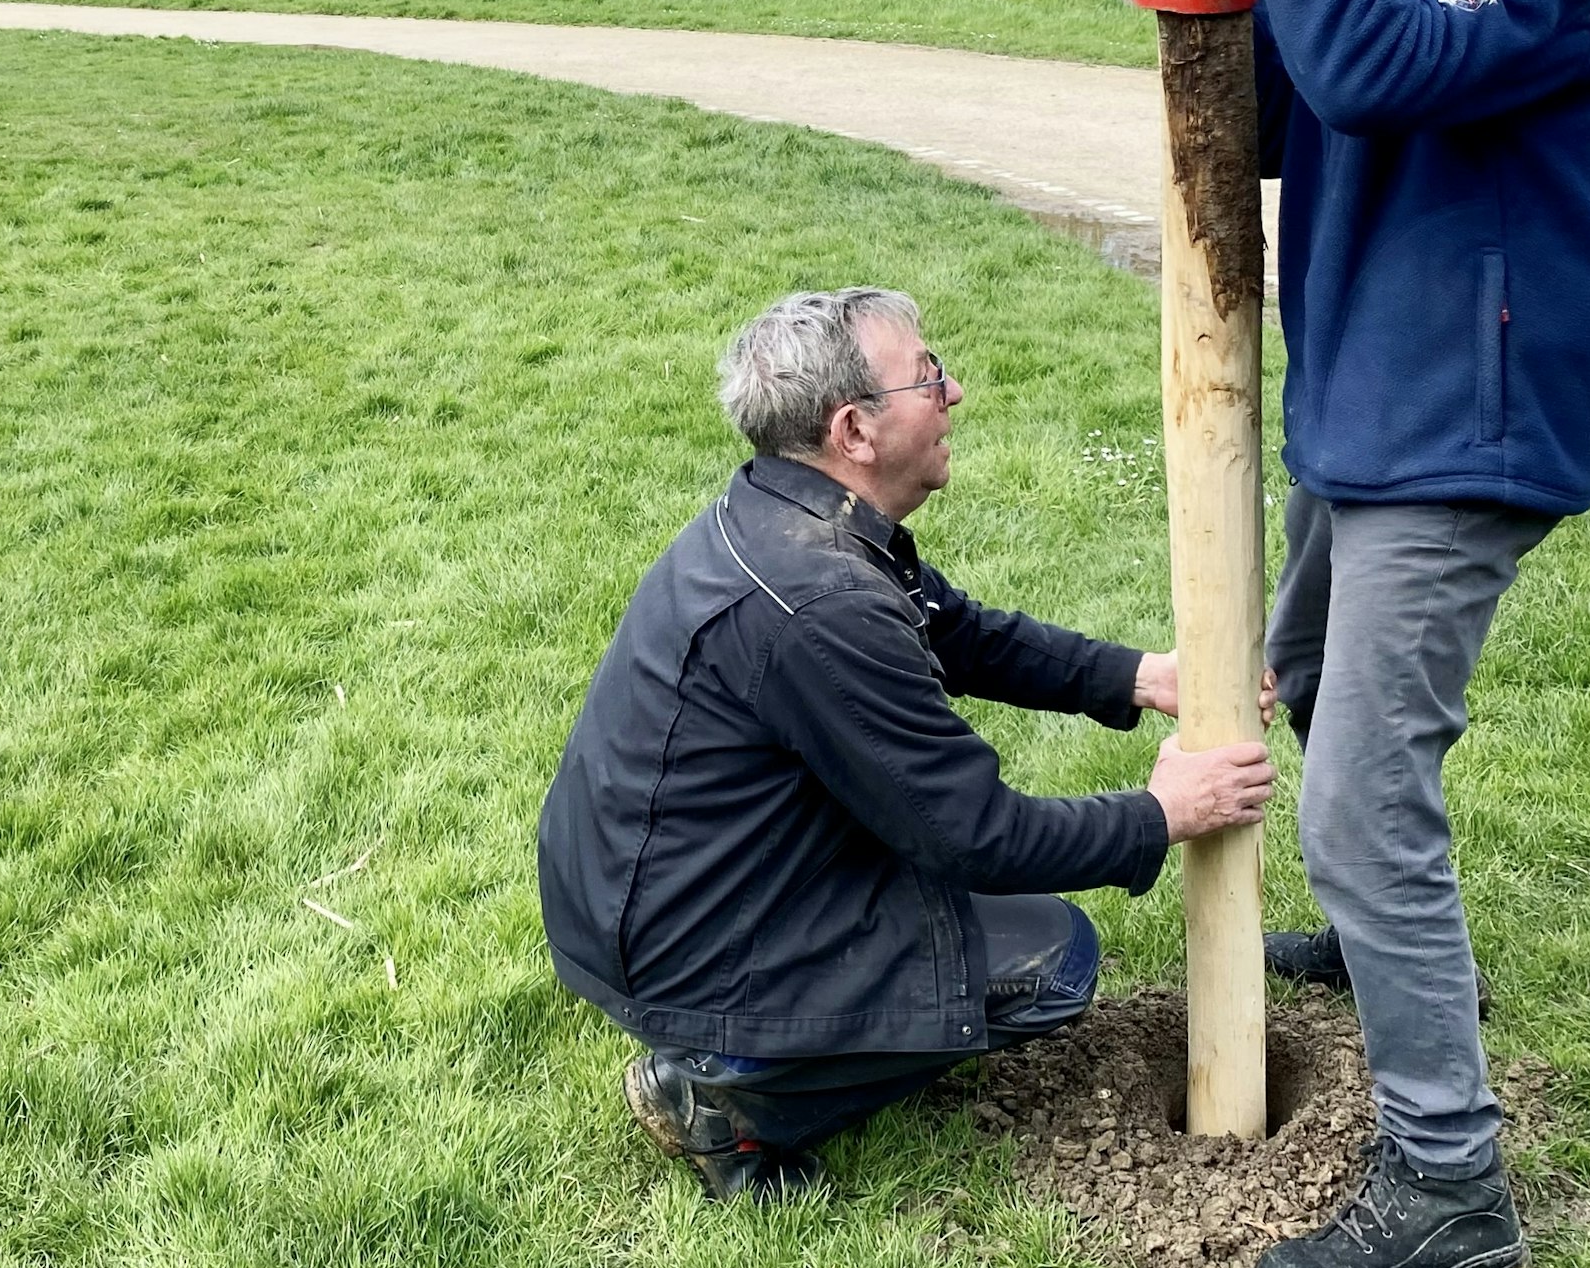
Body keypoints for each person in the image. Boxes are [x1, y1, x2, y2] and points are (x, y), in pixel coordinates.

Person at [1205, 0, 1590, 1268]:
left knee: (1357, 800)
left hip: (1459, 436)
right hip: (1372, 412)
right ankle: (1378, 946)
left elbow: (1379, 68)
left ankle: (1450, 1186)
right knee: (1318, 685)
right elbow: (1291, 97)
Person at [537, 287, 1275, 1203]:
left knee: (953, 911)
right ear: (854, 429)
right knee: (1051, 961)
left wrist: (1138, 676)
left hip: (661, 887)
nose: (953, 390)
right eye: (928, 376)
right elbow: (977, 835)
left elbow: (954, 631)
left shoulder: (792, 513)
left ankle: (743, 1041)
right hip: (682, 939)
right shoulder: (821, 602)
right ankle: (724, 1091)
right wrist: (1163, 813)